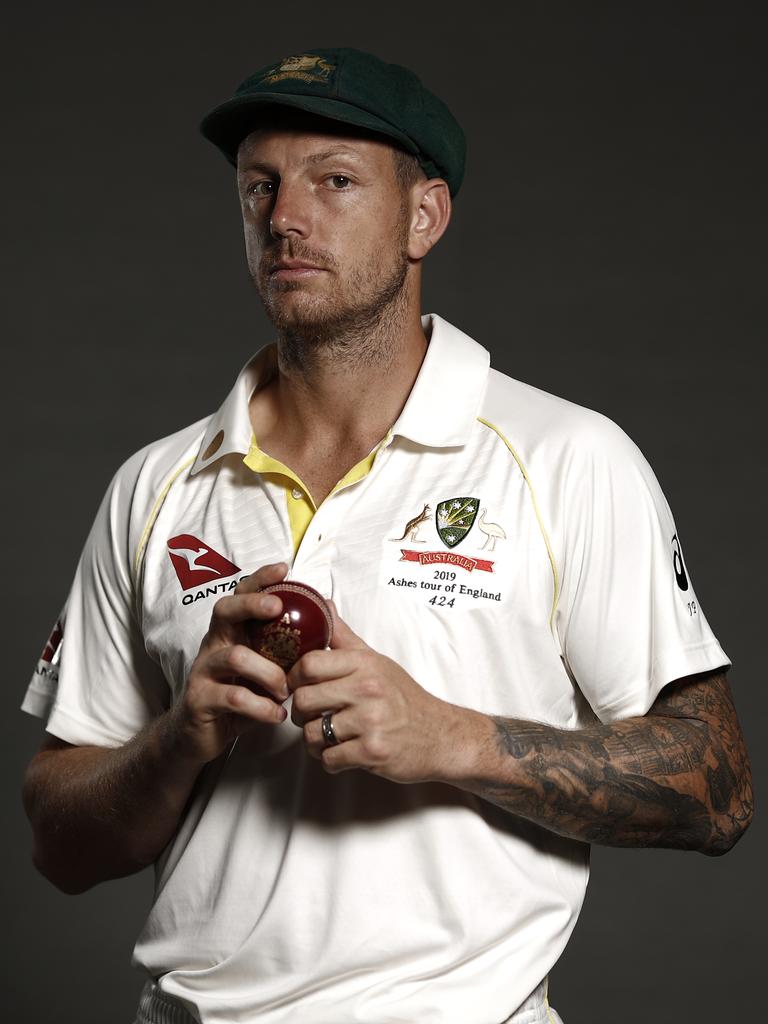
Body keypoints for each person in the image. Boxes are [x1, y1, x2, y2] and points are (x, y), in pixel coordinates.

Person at [21, 47, 752, 1024]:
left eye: (334, 181)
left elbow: (719, 785)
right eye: (260, 186)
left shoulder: (565, 456)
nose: (285, 217)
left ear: (424, 216)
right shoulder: (155, 486)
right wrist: (180, 738)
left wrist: (450, 737)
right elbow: (59, 847)